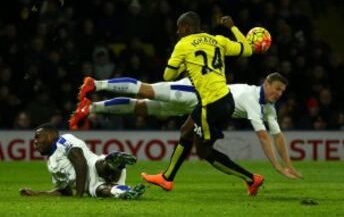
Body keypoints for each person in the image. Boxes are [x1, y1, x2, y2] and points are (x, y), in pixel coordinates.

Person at [73, 12, 265, 196]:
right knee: (181, 129)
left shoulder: (183, 44)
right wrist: (232, 27)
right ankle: (167, 177)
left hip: (205, 101)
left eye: (178, 28)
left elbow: (168, 75)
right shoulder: (217, 40)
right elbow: (247, 49)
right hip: (221, 99)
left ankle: (96, 86)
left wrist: (184, 64)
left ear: (186, 27)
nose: (177, 32)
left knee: (202, 149)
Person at [70, 72, 302, 181]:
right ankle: (96, 84)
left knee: (143, 107)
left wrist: (288, 165)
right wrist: (277, 168)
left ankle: (90, 109)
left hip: (199, 106)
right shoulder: (253, 97)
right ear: (266, 83)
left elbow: (277, 137)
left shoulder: (268, 108)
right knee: (146, 90)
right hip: (195, 93)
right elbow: (263, 138)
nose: (279, 94)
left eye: (282, 91)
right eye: (276, 88)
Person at [19, 123, 145, 199]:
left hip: (93, 165)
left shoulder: (63, 141)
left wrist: (79, 194)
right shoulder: (51, 164)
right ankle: (126, 191)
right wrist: (37, 193)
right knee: (103, 191)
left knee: (100, 167)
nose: (34, 142)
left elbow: (80, 161)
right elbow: (64, 191)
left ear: (50, 135)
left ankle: (114, 163)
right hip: (91, 186)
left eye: (37, 137)